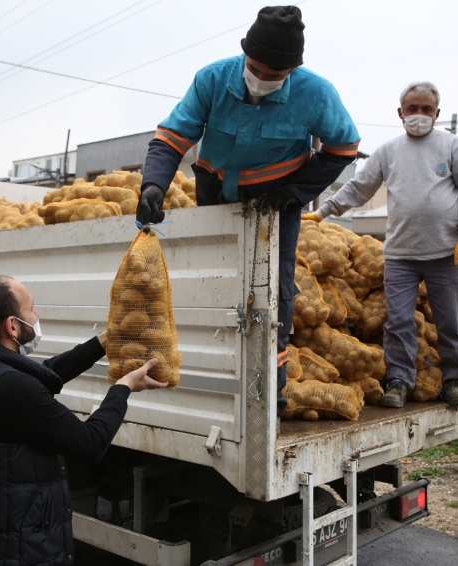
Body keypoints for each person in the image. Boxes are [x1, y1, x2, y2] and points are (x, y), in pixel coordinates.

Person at [136, 5, 360, 421]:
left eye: (276, 75)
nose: (263, 80)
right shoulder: (212, 80)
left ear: (294, 68)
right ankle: (215, 372)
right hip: (217, 191)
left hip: (278, 201)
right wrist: (154, 184)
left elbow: (344, 149)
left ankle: (269, 392)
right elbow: (170, 137)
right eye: (257, 68)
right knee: (217, 282)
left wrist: (293, 191)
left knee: (274, 290)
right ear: (245, 55)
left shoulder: (317, 94)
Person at [0, 275, 167, 566]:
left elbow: (42, 376)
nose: (37, 314)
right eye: (31, 309)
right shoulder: (11, 388)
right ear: (12, 326)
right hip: (11, 552)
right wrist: (123, 388)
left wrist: (101, 343)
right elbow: (90, 443)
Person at [307, 81, 458, 408]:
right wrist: (323, 211)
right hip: (402, 256)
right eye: (413, 109)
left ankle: (453, 381)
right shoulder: (389, 151)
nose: (419, 115)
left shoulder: (454, 148)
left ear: (437, 113)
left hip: (446, 254)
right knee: (399, 322)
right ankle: (399, 382)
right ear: (400, 113)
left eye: (426, 109)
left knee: (449, 323)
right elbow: (359, 188)